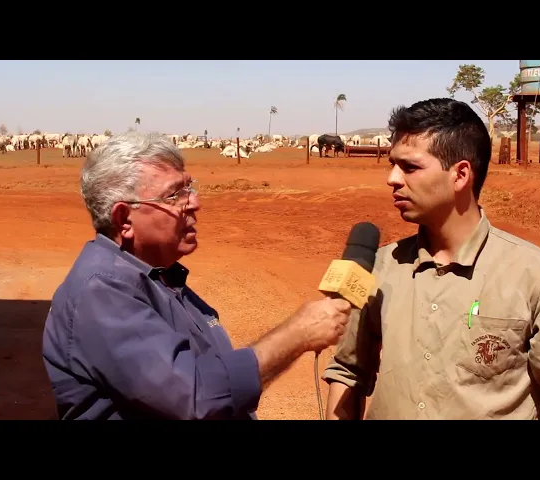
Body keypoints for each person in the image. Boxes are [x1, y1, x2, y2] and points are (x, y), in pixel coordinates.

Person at [41, 131, 351, 420]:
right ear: (124, 219)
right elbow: (195, 397)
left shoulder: (159, 277)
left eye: (189, 187)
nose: (195, 203)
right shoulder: (102, 292)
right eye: (174, 195)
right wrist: (298, 334)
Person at [322, 97, 540, 420]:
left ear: (460, 175)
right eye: (393, 164)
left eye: (410, 167)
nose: (392, 178)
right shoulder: (379, 268)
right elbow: (348, 372)